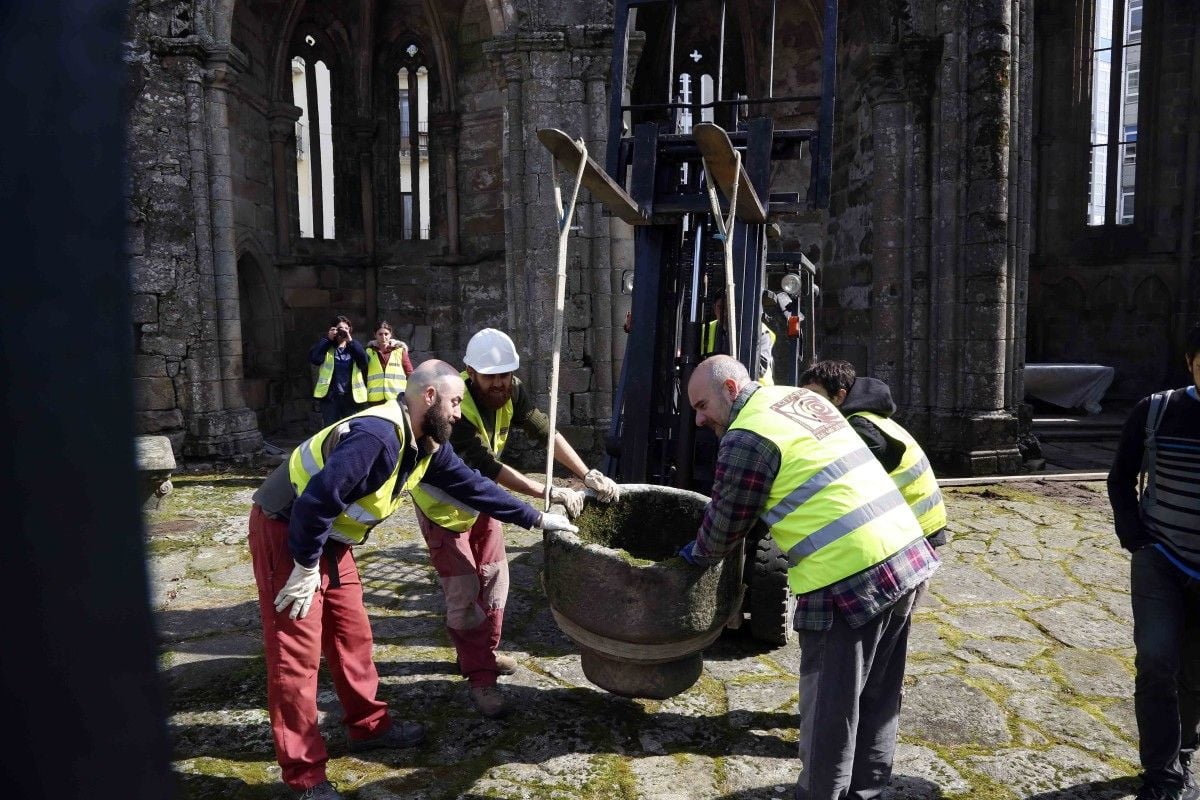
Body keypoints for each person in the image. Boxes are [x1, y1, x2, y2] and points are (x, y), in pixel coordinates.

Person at [248, 359, 579, 800]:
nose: (460, 412)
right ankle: (305, 776)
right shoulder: (377, 438)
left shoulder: (424, 443)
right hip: (288, 531)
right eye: (455, 401)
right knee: (296, 656)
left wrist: (538, 517)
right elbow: (315, 502)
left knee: (353, 635)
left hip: (329, 540)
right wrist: (306, 567)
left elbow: (473, 485)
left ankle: (368, 728)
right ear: (428, 397)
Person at [679, 355, 939, 800]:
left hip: (849, 577)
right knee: (877, 695)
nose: (700, 420)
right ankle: (867, 791)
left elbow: (724, 525)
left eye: (702, 406)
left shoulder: (746, 435)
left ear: (730, 391)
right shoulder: (796, 398)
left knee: (828, 710)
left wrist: (687, 559)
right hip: (906, 552)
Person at [410, 327, 622, 718]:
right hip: (444, 510)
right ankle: (480, 678)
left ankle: (483, 655)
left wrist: (584, 473)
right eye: (491, 376)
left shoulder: (513, 391)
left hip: (482, 503)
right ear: (471, 373)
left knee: (494, 580)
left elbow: (545, 431)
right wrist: (547, 493)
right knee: (463, 593)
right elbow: (487, 468)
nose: (500, 383)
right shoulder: (454, 407)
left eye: (506, 374)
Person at [1107, 321, 1200, 800]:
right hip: (1161, 558)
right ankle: (1161, 774)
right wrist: (1135, 537)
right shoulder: (1157, 411)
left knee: (1194, 667)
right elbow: (1120, 477)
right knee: (1158, 659)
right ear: (1190, 363)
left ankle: (1184, 746)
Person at [799, 359, 947, 548]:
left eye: (814, 395)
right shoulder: (866, 416)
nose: (806, 403)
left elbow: (858, 476)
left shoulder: (859, 425)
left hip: (913, 523)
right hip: (918, 517)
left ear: (839, 396)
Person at [702, 290, 776, 386]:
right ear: (714, 308)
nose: (724, 312)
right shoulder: (706, 330)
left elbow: (759, 370)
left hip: (755, 392)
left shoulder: (760, 331)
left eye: (728, 307)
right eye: (720, 307)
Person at [310, 315, 369, 426]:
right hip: (331, 398)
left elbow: (364, 363)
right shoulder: (326, 347)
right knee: (331, 430)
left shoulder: (354, 347)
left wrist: (351, 342)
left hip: (350, 398)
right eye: (340, 328)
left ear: (350, 331)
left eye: (346, 328)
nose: (343, 331)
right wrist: (327, 339)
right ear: (333, 330)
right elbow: (315, 359)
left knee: (351, 429)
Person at [365, 320, 413, 404]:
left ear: (390, 334)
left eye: (386, 334)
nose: (383, 337)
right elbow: (363, 374)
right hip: (375, 399)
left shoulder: (400, 351)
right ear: (375, 335)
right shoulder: (368, 352)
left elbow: (410, 373)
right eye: (380, 334)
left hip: (397, 398)